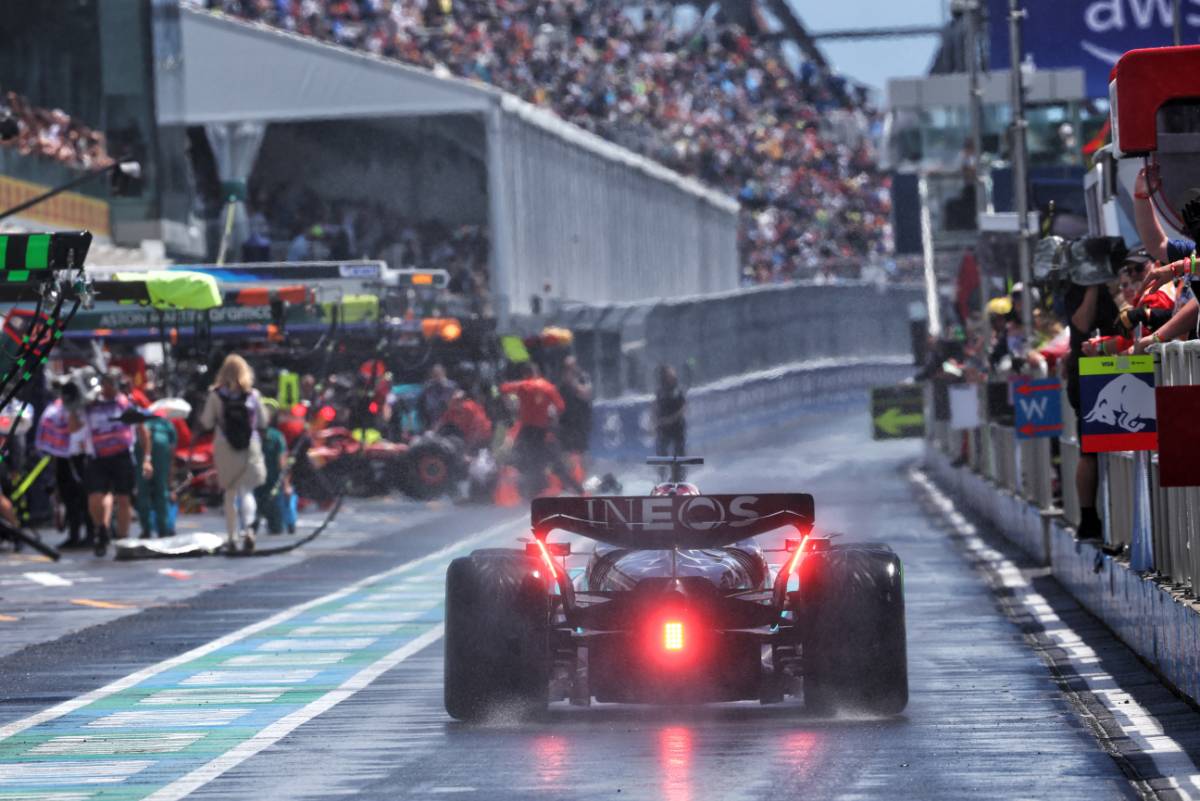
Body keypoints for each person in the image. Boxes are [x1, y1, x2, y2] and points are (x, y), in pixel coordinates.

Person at [71, 369, 151, 556]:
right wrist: (73, 407)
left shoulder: (126, 403)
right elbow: (73, 428)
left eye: (111, 383)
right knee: (96, 496)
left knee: (124, 498)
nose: (108, 387)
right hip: (97, 457)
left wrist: (147, 459)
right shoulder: (91, 404)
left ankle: (123, 540)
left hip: (122, 456)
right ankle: (101, 529)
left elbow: (142, 431)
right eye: (105, 383)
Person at [1063, 281, 1121, 541]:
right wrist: (1092, 286)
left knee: (1126, 448)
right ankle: (1088, 518)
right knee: (1090, 450)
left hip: (1118, 369)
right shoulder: (1076, 291)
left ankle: (1120, 520)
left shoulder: (1117, 286)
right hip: (1088, 374)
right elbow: (1081, 324)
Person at [200, 354, 267, 553]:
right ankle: (249, 530)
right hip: (250, 446)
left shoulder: (216, 395)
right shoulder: (252, 395)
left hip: (224, 446)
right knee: (247, 491)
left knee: (230, 493)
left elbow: (207, 422)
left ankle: (232, 537)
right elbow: (263, 421)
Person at [500, 363, 582, 496]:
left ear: (524, 375)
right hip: (544, 431)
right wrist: (551, 415)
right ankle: (579, 491)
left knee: (531, 464)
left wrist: (509, 402)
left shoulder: (521, 386)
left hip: (528, 432)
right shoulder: (548, 387)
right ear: (537, 373)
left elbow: (503, 388)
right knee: (556, 463)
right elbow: (560, 407)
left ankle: (534, 494)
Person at [35, 376, 93, 548]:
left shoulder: (85, 406)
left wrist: (74, 408)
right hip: (62, 458)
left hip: (81, 457)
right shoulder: (56, 408)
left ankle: (91, 535)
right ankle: (73, 535)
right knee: (68, 498)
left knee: (84, 497)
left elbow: (75, 428)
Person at [133, 401, 178, 540]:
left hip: (141, 446)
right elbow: (172, 451)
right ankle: (163, 530)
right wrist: (171, 479)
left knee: (143, 491)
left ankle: (146, 530)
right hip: (161, 447)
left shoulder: (142, 421)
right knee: (161, 491)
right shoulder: (166, 423)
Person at [253, 400, 292, 536]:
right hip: (254, 486)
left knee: (276, 528)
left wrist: (286, 485)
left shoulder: (276, 437)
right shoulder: (250, 436)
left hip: (272, 486)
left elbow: (283, 462)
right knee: (251, 527)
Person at [557, 356, 593, 455]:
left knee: (580, 449)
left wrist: (573, 383)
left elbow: (587, 394)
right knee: (567, 450)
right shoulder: (562, 383)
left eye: (572, 367)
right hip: (566, 421)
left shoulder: (583, 378)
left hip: (581, 420)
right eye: (567, 368)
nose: (570, 370)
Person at [654, 365, 687, 459]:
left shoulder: (678, 390)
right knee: (661, 448)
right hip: (664, 425)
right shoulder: (660, 391)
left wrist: (673, 418)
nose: (672, 376)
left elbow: (683, 407)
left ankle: (679, 464)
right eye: (669, 374)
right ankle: (662, 464)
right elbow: (656, 407)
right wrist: (657, 421)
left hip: (677, 424)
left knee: (679, 449)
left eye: (672, 374)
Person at [417, 364, 457, 431]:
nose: (436, 376)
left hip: (449, 425)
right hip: (431, 424)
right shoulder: (427, 388)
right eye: (434, 374)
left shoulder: (452, 387)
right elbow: (422, 407)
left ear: (444, 373)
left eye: (438, 373)